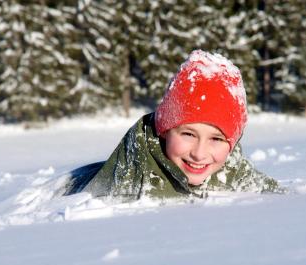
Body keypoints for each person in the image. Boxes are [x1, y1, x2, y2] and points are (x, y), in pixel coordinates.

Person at [64, 50, 282, 200]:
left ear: (232, 144)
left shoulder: (233, 167)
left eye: (216, 138)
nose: (199, 153)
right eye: (188, 134)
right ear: (165, 130)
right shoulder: (132, 175)